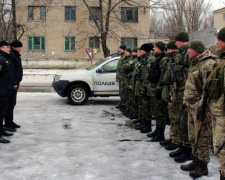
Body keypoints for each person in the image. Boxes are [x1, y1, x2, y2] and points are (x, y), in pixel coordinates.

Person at [180, 40, 215, 178]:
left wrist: (203, 107)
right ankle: (195, 160)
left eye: (190, 49)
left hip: (201, 108)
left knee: (203, 137)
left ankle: (203, 165)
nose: (188, 51)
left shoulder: (207, 64)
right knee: (193, 136)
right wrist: (185, 102)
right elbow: (190, 85)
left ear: (197, 50)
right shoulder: (195, 63)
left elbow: (208, 90)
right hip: (191, 106)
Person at [169, 31, 192, 163]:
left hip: (185, 92)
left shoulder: (188, 55)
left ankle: (187, 150)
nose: (175, 43)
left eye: (177, 41)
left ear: (183, 41)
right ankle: (182, 146)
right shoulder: (180, 55)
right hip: (178, 91)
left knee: (184, 122)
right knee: (179, 120)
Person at [208, 27, 225, 180]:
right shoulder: (221, 60)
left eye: (220, 40)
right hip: (218, 112)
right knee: (218, 148)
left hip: (223, 115)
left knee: (221, 148)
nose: (217, 42)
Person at [146, 41, 168, 141]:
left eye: (155, 47)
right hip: (153, 89)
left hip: (158, 90)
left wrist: (159, 89)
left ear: (160, 48)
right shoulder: (156, 58)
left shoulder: (163, 60)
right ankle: (157, 130)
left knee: (160, 113)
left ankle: (160, 134)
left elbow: (162, 76)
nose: (153, 49)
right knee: (156, 111)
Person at [4, 40, 23, 132]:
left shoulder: (15, 55)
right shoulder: (12, 55)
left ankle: (10, 122)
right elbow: (12, 71)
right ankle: (7, 124)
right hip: (11, 85)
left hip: (14, 84)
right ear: (16, 47)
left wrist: (17, 82)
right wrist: (14, 82)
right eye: (20, 47)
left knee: (12, 104)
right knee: (9, 105)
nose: (21, 48)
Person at [0, 40, 14, 143]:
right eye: (7, 47)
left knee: (3, 113)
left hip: (5, 90)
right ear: (1, 48)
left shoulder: (5, 59)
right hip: (1, 91)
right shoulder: (1, 60)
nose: (9, 49)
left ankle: (1, 131)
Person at [115, 45, 126, 109]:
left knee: (123, 92)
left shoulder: (124, 57)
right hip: (120, 77)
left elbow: (123, 69)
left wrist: (122, 78)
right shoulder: (121, 57)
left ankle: (123, 104)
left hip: (122, 78)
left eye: (120, 49)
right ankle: (122, 103)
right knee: (121, 92)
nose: (119, 50)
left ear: (124, 50)